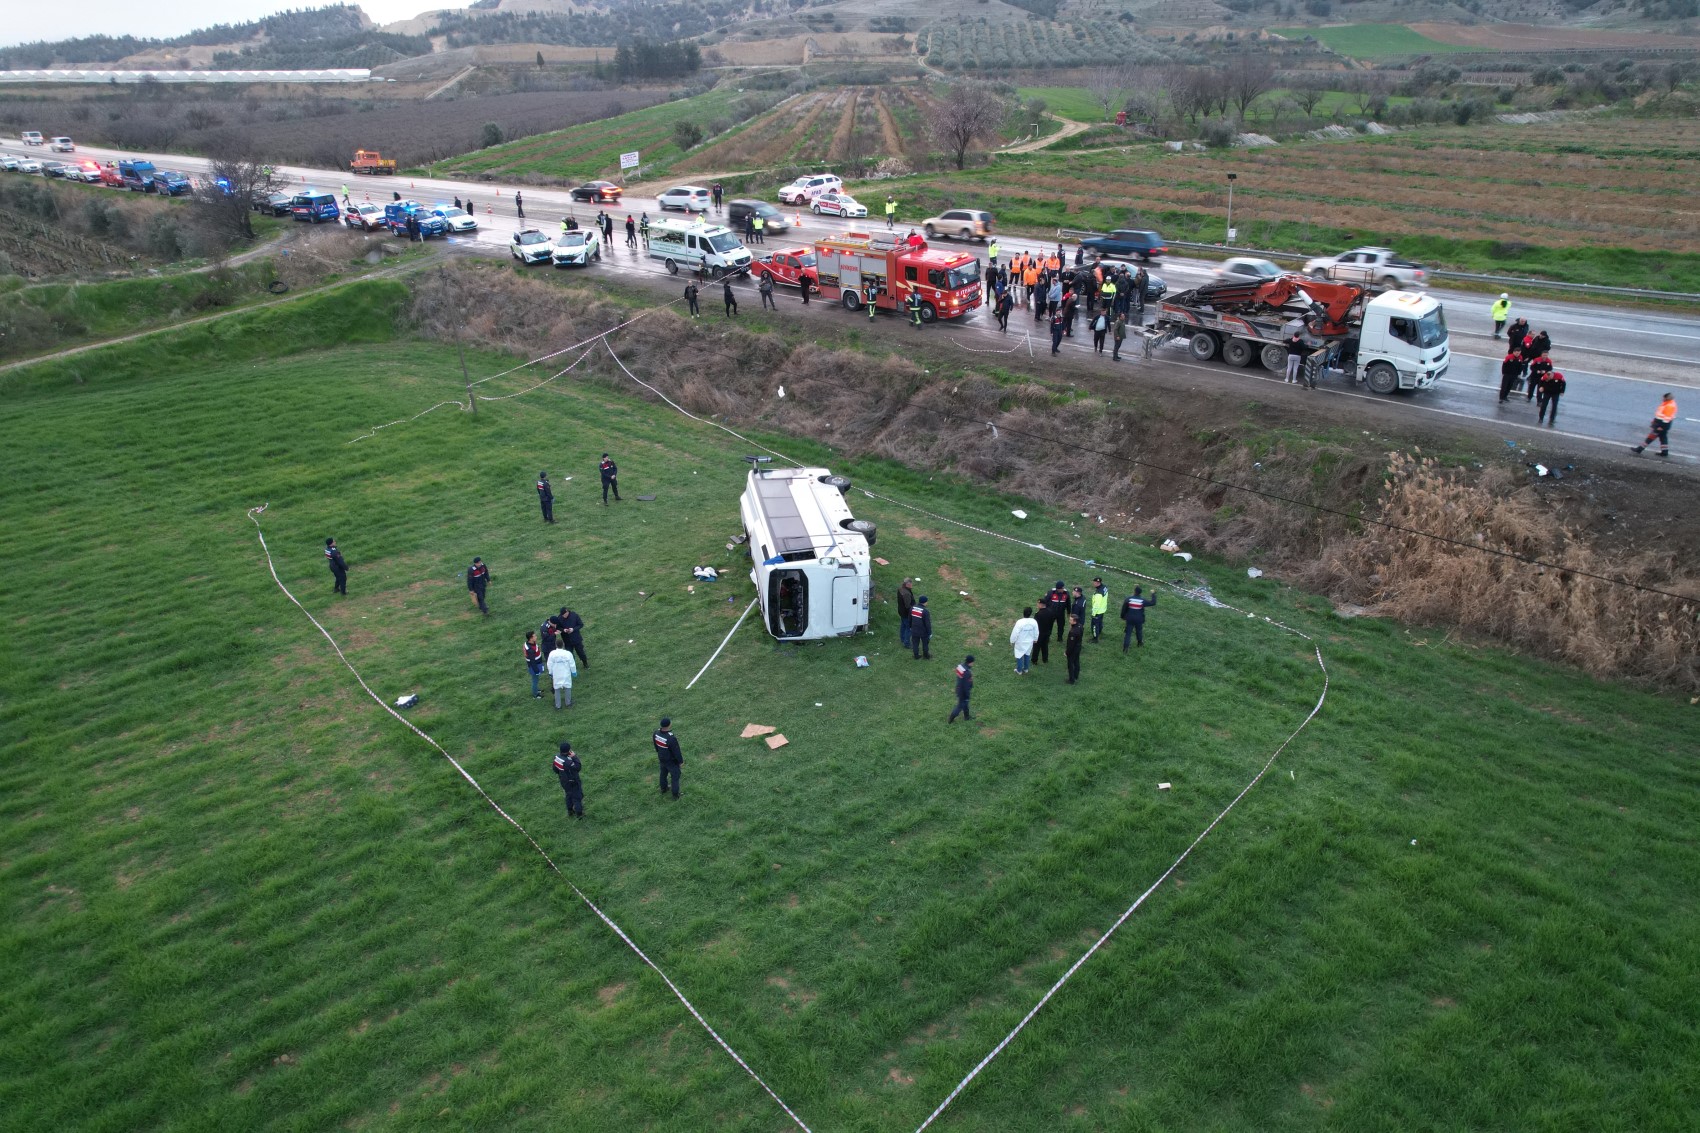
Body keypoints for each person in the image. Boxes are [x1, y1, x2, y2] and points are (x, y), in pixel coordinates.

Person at [1632, 392, 1678, 457]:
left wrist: (1661, 426)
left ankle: (1640, 449)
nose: (1662, 399)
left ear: (1666, 398)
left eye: (1663, 398)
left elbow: (1666, 418)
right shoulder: (1669, 403)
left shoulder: (1669, 406)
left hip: (1662, 424)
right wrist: (1655, 420)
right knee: (1663, 438)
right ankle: (1664, 452)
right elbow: (1661, 414)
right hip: (1662, 423)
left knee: (1651, 437)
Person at [653, 717, 683, 798]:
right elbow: (676, 751)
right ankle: (675, 795)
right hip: (671, 761)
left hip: (662, 758)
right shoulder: (671, 738)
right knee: (675, 775)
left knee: (663, 773)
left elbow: (656, 745)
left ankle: (664, 789)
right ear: (669, 725)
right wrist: (680, 761)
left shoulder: (656, 733)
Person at [554, 742, 584, 818]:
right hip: (572, 782)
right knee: (577, 797)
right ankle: (579, 814)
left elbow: (555, 769)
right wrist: (574, 757)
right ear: (568, 751)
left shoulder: (556, 757)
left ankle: (570, 811)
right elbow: (578, 767)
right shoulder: (568, 762)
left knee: (568, 795)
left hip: (564, 781)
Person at [546, 640, 578, 708]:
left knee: (556, 688)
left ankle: (558, 705)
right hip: (566, 674)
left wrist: (550, 673)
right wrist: (574, 672)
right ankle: (568, 703)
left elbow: (549, 664)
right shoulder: (568, 653)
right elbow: (572, 664)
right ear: (563, 645)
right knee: (568, 687)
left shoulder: (552, 653)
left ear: (556, 645)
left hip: (556, 674)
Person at [1010, 607, 1040, 675]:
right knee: (1027, 654)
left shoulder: (1020, 622)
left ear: (1023, 613)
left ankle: (1019, 670)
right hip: (1029, 642)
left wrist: (1012, 640)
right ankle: (1026, 669)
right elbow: (1036, 631)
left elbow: (1015, 632)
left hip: (1020, 642)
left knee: (1019, 655)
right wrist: (1035, 639)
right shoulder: (1034, 621)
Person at [948, 655, 975, 722]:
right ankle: (951, 719)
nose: (973, 664)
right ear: (970, 662)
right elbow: (966, 686)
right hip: (963, 693)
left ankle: (967, 717)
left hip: (959, 688)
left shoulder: (960, 666)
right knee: (960, 706)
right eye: (973, 662)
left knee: (965, 704)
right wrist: (967, 694)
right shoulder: (967, 673)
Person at [909, 595, 932, 659]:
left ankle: (916, 655)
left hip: (914, 630)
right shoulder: (925, 611)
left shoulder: (912, 608)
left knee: (915, 643)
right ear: (925, 602)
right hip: (923, 631)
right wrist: (929, 632)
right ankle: (926, 655)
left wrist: (910, 627)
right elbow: (927, 624)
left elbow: (910, 619)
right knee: (925, 644)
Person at [524, 631, 545, 699]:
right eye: (534, 636)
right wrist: (536, 671)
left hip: (536, 664)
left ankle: (536, 690)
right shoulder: (530, 650)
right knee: (535, 680)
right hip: (534, 666)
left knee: (536, 679)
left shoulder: (530, 643)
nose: (536, 637)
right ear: (531, 638)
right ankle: (535, 695)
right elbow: (532, 661)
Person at [1064, 616, 1084, 684]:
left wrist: (1067, 652)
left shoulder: (1073, 632)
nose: (1069, 621)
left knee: (1070, 664)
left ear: (1074, 621)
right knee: (1076, 661)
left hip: (1073, 649)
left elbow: (1071, 645)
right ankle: (1076, 675)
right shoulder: (1080, 626)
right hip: (1078, 647)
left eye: (1070, 620)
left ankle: (1071, 680)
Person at [897, 578, 915, 647]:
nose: (912, 585)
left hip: (901, 611)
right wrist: (912, 613)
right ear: (908, 584)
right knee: (909, 628)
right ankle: (907, 643)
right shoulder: (906, 593)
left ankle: (902, 638)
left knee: (903, 625)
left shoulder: (900, 589)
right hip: (906, 613)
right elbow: (908, 606)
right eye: (911, 584)